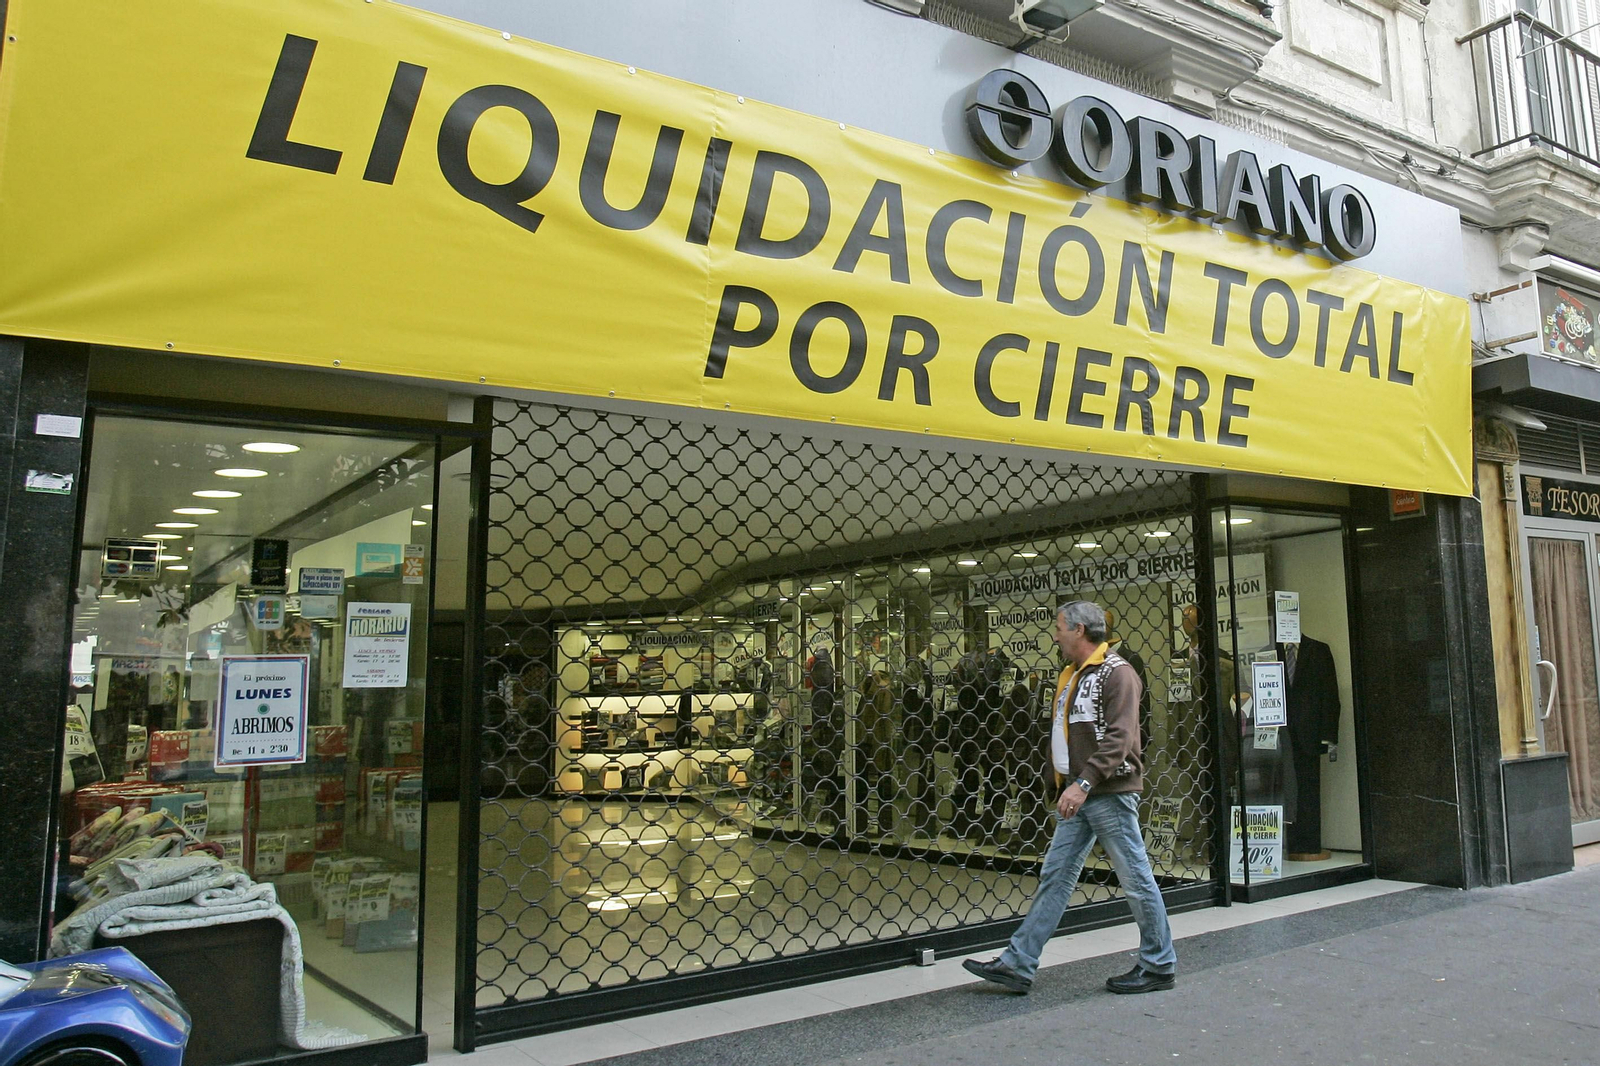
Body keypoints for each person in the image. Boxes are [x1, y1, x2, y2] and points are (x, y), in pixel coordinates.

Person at [963, 600, 1177, 995]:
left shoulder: (1119, 673)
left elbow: (1120, 738)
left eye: (1060, 627)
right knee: (1056, 877)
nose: (1055, 634)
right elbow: (1063, 732)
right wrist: (1062, 782)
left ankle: (1159, 963)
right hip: (1078, 793)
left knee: (1135, 878)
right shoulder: (1071, 674)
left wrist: (1085, 783)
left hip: (1104, 793)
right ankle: (1018, 963)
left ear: (1079, 630)